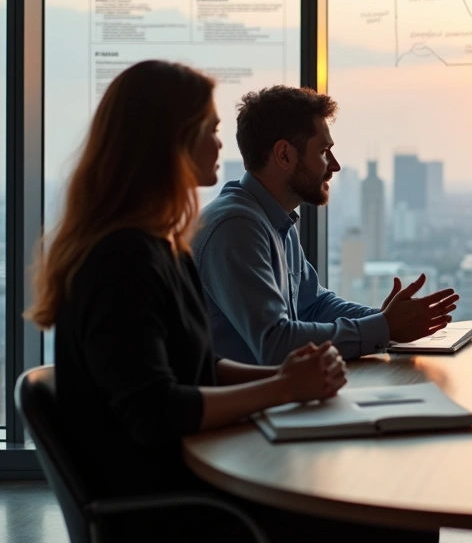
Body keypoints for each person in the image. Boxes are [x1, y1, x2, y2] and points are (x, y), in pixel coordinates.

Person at [26, 60, 436, 542]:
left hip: (201, 470)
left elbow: (201, 367)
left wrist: (291, 379)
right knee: (399, 519)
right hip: (176, 504)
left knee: (394, 505)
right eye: (210, 129)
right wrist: (282, 388)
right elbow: (158, 409)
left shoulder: (158, 247)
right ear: (168, 141)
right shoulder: (123, 261)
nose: (222, 145)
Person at [193, 85, 459, 365]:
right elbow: (275, 343)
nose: (335, 166)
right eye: (323, 152)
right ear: (284, 155)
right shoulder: (237, 227)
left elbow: (315, 305)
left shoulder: (273, 220)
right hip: (246, 406)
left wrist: (384, 319)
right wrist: (384, 327)